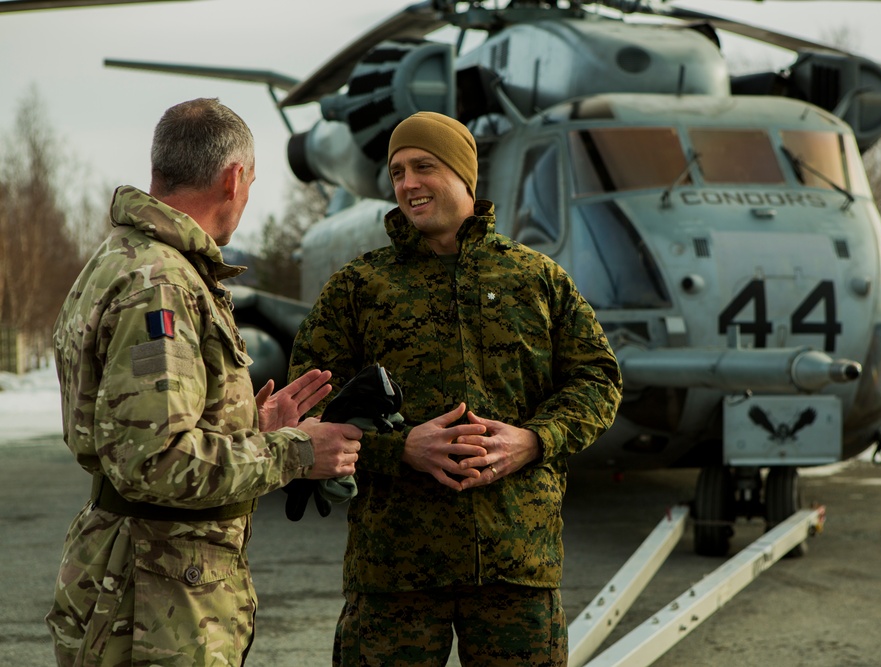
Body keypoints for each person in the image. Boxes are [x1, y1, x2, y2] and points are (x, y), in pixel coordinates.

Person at [288, 111, 623, 666]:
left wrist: (534, 439)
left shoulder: (536, 278)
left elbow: (598, 379)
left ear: (465, 177)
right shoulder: (359, 287)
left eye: (424, 166)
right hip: (393, 570)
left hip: (516, 565)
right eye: (398, 172)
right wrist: (402, 450)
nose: (408, 183)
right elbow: (304, 411)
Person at [45, 97, 363, 667]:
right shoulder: (161, 284)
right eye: (252, 182)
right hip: (156, 596)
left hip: (151, 580)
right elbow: (155, 462)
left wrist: (248, 425)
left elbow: (136, 427)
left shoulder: (127, 259)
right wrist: (295, 454)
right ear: (233, 177)